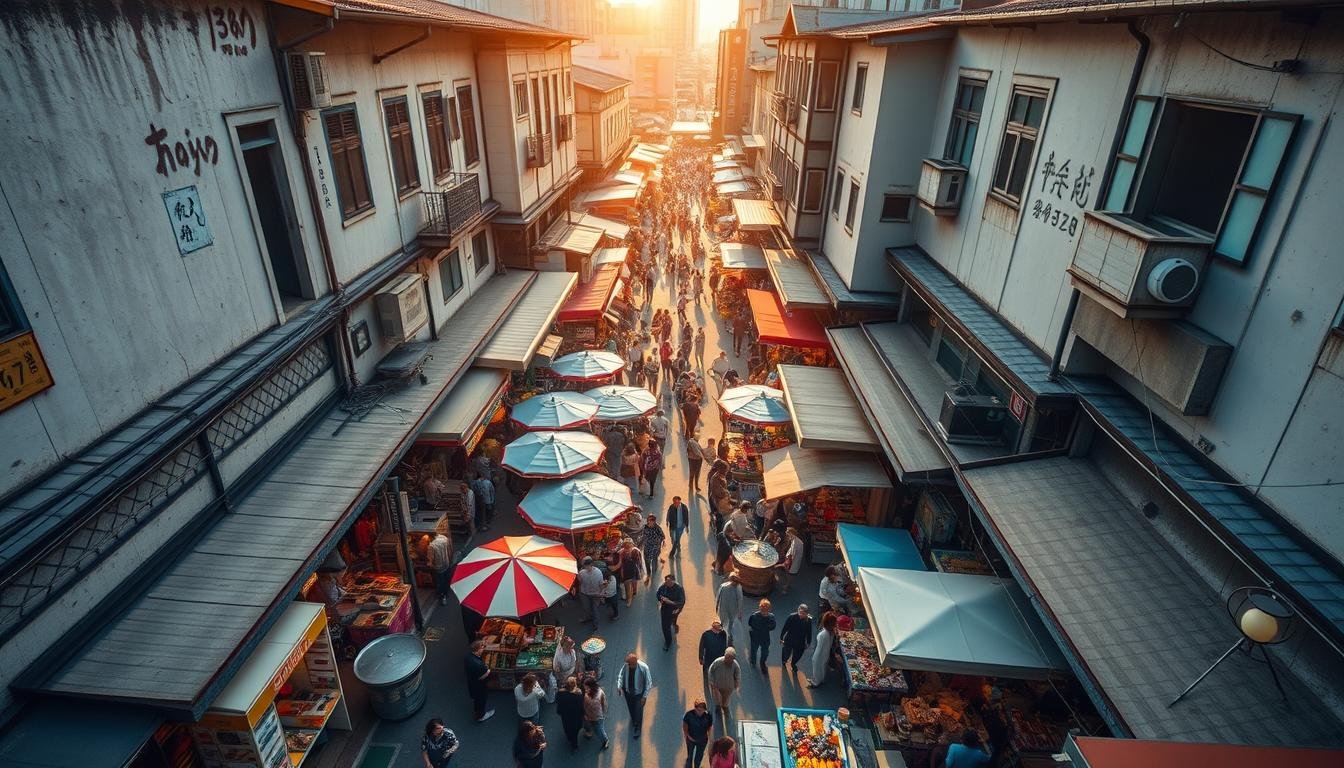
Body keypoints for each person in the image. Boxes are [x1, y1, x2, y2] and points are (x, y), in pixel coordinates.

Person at [615, 652, 653, 738]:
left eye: (629, 664)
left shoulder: (644, 668)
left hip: (639, 694)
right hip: (628, 692)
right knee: (631, 708)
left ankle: (637, 728)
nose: (627, 665)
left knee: (638, 711)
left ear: (634, 663)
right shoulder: (626, 665)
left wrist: (644, 696)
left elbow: (649, 683)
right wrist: (619, 686)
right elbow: (621, 675)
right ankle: (634, 720)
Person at [465, 640, 496, 722]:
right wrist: (488, 671)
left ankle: (477, 710)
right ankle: (481, 716)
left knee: (476, 699)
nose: (483, 649)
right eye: (482, 648)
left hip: (471, 682)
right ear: (477, 650)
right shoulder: (478, 665)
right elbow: (481, 677)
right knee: (481, 699)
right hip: (479, 686)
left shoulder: (468, 656)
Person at [806, 612, 839, 688]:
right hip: (826, 654)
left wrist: (814, 657)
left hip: (819, 654)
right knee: (823, 667)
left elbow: (819, 648)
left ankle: (815, 682)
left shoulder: (823, 634)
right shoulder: (831, 633)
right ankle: (821, 680)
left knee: (817, 668)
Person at [707, 647, 741, 716]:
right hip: (717, 686)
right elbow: (711, 670)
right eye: (727, 656)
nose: (728, 659)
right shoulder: (718, 662)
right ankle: (718, 706)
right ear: (724, 655)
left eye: (730, 657)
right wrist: (711, 681)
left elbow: (738, 674)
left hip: (729, 687)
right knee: (717, 698)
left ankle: (725, 707)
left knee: (726, 699)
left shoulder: (735, 665)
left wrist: (737, 683)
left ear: (733, 658)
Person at [656, 573, 687, 650]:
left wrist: (670, 602)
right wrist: (661, 599)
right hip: (665, 609)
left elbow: (681, 601)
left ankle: (674, 624)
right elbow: (658, 593)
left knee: (673, 619)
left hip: (674, 609)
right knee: (665, 627)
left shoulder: (679, 589)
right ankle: (668, 642)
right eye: (666, 581)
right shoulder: (664, 586)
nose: (667, 583)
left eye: (669, 582)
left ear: (674, 581)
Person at [555, 677, 585, 753]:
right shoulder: (578, 695)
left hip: (566, 716)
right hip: (576, 717)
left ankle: (569, 738)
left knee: (567, 727)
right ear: (575, 685)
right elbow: (581, 707)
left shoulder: (560, 693)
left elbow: (558, 703)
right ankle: (574, 744)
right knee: (575, 730)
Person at [779, 603, 813, 672]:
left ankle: (793, 663)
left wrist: (808, 642)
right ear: (798, 610)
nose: (801, 615)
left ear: (806, 614)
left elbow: (809, 632)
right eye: (800, 612)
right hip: (789, 639)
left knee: (798, 655)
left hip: (800, 641)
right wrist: (781, 637)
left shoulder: (808, 620)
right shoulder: (792, 617)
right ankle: (784, 660)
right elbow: (785, 627)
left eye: (803, 613)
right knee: (786, 652)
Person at [715, 571, 745, 646]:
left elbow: (740, 600)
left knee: (731, 622)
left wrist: (739, 611)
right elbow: (718, 596)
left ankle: (729, 637)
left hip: (732, 608)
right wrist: (717, 605)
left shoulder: (738, 588)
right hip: (724, 607)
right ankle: (722, 631)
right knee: (723, 619)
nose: (734, 583)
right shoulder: (723, 586)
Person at [682, 699, 715, 768]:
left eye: (702, 708)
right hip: (691, 740)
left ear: (704, 709)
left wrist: (711, 739)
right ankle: (689, 766)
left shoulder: (708, 716)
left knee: (699, 756)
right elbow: (685, 726)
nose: (700, 710)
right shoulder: (689, 715)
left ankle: (697, 766)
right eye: (698, 708)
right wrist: (687, 736)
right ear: (695, 708)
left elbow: (710, 727)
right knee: (690, 755)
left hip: (703, 741)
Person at [747, 598, 777, 672]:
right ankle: (753, 661)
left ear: (769, 610)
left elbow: (773, 626)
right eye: (763, 611)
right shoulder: (754, 616)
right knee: (754, 650)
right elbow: (750, 624)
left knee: (765, 652)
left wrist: (766, 628)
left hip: (765, 638)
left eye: (766, 612)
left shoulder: (771, 617)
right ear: (760, 608)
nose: (764, 613)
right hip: (756, 637)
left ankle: (762, 663)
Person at [581, 678, 610, 751]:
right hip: (588, 715)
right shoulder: (585, 694)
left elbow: (604, 703)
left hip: (597, 717)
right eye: (585, 687)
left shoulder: (599, 693)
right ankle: (589, 732)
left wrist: (604, 713)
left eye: (587, 688)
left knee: (599, 730)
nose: (586, 689)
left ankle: (605, 740)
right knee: (590, 726)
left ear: (592, 686)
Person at [576, 557, 604, 625]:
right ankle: (588, 618)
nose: (587, 568)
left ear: (591, 564)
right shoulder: (582, 572)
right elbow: (580, 581)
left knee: (594, 609)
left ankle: (595, 625)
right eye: (586, 566)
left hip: (595, 594)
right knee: (586, 608)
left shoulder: (598, 573)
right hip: (585, 593)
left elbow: (601, 585)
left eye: (588, 566)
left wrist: (600, 594)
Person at [639, 514, 666, 583]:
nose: (650, 521)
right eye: (649, 520)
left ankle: (654, 574)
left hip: (655, 548)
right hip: (647, 547)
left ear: (654, 521)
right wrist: (640, 544)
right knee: (647, 561)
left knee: (654, 562)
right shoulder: (645, 527)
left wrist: (656, 540)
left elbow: (663, 536)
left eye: (651, 520)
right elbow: (643, 536)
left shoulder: (657, 528)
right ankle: (648, 574)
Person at [428, 532, 452, 605]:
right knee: (446, 578)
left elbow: (431, 559)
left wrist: (430, 564)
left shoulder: (432, 546)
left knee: (440, 581)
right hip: (446, 562)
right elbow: (448, 548)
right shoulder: (444, 538)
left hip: (438, 567)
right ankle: (447, 591)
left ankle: (443, 595)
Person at [777, 528, 804, 594]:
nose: (787, 536)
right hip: (791, 561)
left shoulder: (797, 544)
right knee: (789, 573)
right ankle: (787, 584)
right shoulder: (795, 540)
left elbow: (793, 556)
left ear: (792, 534)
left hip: (792, 562)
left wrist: (787, 563)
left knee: (790, 574)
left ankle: (786, 586)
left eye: (788, 534)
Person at [618, 538, 643, 604]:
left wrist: (641, 570)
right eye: (626, 544)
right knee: (628, 587)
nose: (628, 545)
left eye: (629, 544)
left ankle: (634, 591)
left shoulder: (636, 551)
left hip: (634, 570)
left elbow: (640, 562)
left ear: (632, 544)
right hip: (626, 571)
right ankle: (629, 600)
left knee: (634, 583)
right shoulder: (621, 552)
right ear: (624, 545)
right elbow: (620, 563)